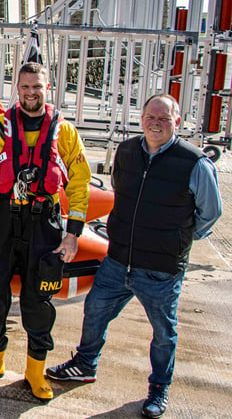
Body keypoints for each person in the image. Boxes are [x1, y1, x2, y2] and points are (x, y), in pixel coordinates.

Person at [47, 94, 222, 418]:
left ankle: (159, 388)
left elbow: (210, 212)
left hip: (160, 269)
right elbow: (122, 192)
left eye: (164, 118)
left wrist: (180, 238)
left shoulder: (194, 162)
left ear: (177, 123)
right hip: (118, 260)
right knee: (95, 312)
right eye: (151, 116)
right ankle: (85, 364)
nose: (156, 123)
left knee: (163, 332)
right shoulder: (127, 152)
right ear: (142, 118)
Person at [0, 62, 91, 400]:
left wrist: (73, 233)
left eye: (37, 87)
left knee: (38, 300)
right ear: (17, 90)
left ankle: (34, 371)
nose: (31, 93)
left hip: (45, 223)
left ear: (47, 87)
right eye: (25, 87)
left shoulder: (64, 131)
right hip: (1, 220)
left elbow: (80, 180)